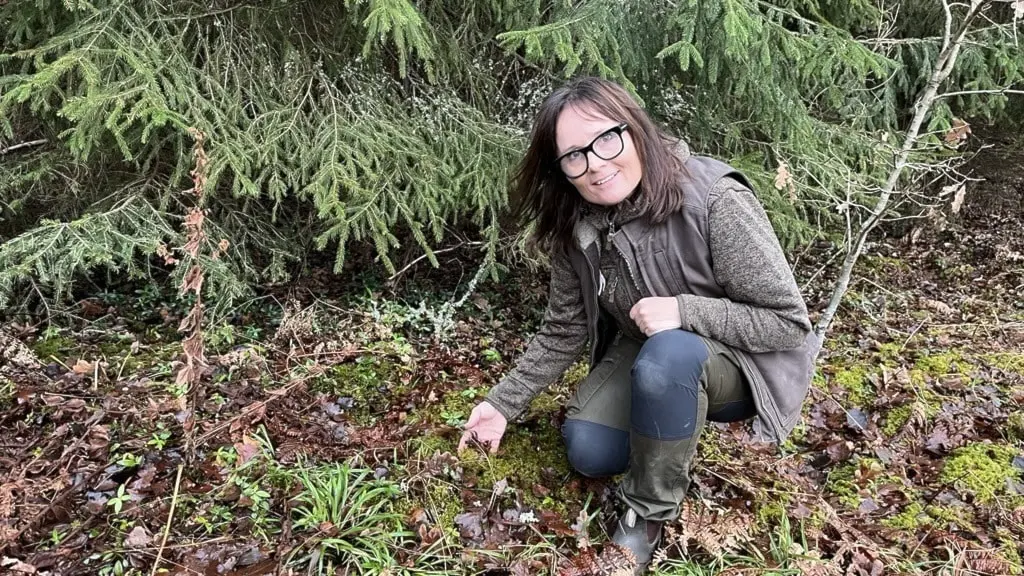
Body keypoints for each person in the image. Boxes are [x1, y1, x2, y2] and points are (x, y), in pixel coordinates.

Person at [457, 76, 819, 573]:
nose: (596, 165)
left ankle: (645, 517)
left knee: (670, 356)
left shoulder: (712, 198)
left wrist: (684, 311)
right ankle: (669, 419)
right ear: (561, 169)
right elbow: (565, 328)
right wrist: (501, 404)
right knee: (590, 449)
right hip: (649, 350)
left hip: (740, 363)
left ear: (635, 128)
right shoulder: (578, 224)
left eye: (607, 138)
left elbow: (788, 323)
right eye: (574, 156)